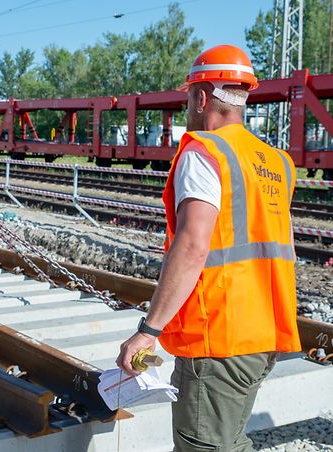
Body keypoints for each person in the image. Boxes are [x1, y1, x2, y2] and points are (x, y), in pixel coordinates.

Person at [116, 44, 301, 452]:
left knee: (207, 445)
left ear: (201, 96)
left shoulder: (205, 153)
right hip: (265, 332)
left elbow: (194, 245)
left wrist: (148, 331)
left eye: (188, 96)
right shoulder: (275, 161)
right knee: (230, 440)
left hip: (220, 336)